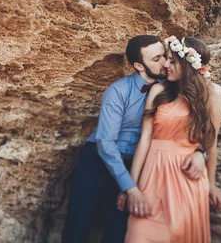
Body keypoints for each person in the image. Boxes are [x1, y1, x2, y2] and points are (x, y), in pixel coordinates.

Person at [62, 35, 208, 243]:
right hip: (99, 162)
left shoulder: (174, 89)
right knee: (78, 226)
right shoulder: (118, 91)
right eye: (156, 59)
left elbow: (191, 130)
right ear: (139, 65)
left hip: (137, 165)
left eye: (165, 57)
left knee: (118, 232)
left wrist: (201, 153)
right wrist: (130, 187)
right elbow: (105, 143)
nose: (165, 63)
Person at [120, 36, 221, 243]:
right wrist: (130, 187)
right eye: (166, 59)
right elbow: (145, 140)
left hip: (186, 178)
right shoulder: (158, 90)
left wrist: (211, 184)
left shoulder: (213, 93)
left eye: (172, 61)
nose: (165, 65)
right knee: (138, 234)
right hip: (152, 177)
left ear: (187, 64)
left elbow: (211, 141)